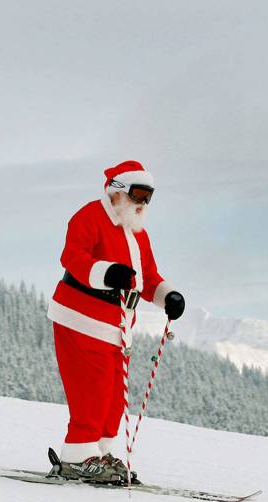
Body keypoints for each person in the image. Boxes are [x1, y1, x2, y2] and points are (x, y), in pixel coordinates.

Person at [46, 160, 185, 483]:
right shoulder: (90, 216)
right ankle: (76, 457)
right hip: (80, 318)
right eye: (138, 194)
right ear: (118, 191)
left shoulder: (138, 235)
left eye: (149, 197)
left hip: (117, 328)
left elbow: (148, 278)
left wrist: (168, 296)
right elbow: (73, 257)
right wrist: (107, 272)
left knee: (112, 397)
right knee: (91, 389)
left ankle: (100, 453)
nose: (143, 204)